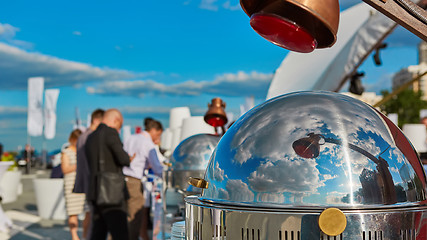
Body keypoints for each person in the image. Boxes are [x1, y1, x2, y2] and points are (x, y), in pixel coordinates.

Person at [85, 109, 131, 240]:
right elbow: (123, 159)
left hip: (95, 191)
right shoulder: (110, 133)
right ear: (116, 120)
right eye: (120, 126)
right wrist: (129, 158)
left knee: (98, 232)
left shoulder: (91, 136)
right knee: (120, 233)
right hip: (111, 192)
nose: (119, 129)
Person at [123, 119, 163, 240]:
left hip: (121, 179)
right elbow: (158, 168)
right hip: (134, 181)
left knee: (122, 215)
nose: (158, 137)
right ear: (153, 130)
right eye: (158, 134)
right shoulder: (148, 144)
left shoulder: (130, 138)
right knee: (135, 216)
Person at [73, 108, 105, 239]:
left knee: (89, 215)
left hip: (86, 181)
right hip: (92, 182)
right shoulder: (91, 137)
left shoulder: (82, 136)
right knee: (93, 217)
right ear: (97, 120)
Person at [61, 129, 84, 240]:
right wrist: (78, 165)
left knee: (87, 211)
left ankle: (85, 235)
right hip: (71, 184)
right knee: (73, 212)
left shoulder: (83, 152)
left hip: (84, 184)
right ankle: (74, 237)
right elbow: (65, 169)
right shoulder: (66, 152)